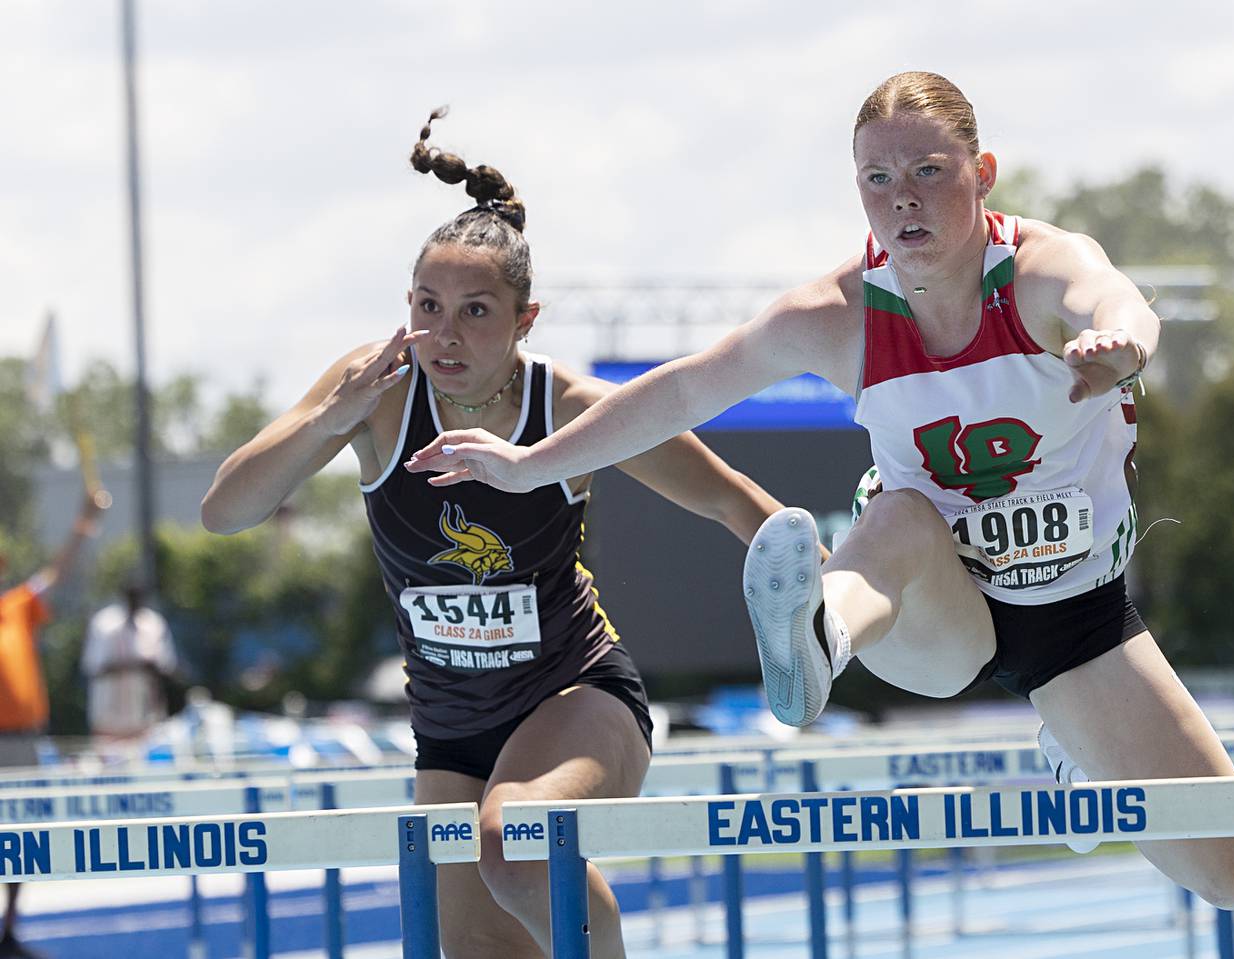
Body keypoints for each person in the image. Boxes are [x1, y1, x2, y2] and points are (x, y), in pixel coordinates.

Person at [404, 72, 1234, 910]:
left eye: (931, 173)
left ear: (984, 175)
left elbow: (1116, 299)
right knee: (899, 512)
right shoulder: (837, 314)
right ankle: (819, 634)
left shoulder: (1042, 270)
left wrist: (1120, 342)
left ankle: (1070, 739)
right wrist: (529, 465)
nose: (905, 200)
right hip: (934, 604)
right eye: (879, 179)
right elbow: (680, 391)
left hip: (1076, 615)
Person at [201, 107, 791, 958]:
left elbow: (738, 504)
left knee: (516, 841)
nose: (444, 334)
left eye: (476, 311)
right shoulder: (375, 394)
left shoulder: (575, 410)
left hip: (577, 700)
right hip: (450, 734)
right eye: (427, 306)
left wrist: (833, 611)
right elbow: (227, 509)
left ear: (526, 319)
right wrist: (334, 413)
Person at [0, 490, 104, 958]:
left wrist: (84, 521)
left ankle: (9, 928)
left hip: (21, 741)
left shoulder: (18, 606)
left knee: (21, 835)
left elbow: (59, 570)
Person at [82, 581, 178, 741]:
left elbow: (166, 665)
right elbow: (93, 665)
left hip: (145, 712)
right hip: (110, 715)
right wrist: (132, 664)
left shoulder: (153, 623)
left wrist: (147, 666)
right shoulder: (105, 624)